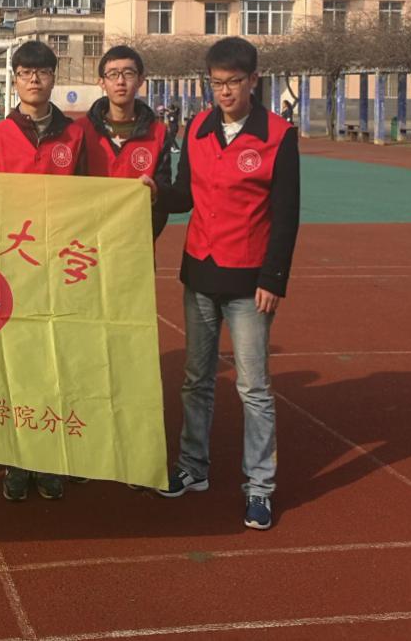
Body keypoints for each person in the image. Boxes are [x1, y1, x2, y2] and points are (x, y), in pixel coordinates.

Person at [157, 36, 300, 532]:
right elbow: (184, 195)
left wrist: (273, 278)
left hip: (249, 282)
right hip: (200, 272)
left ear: (253, 80)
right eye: (216, 83)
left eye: (234, 82)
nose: (225, 92)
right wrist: (154, 192)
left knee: (253, 388)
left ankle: (259, 486)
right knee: (196, 379)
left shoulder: (278, 135)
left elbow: (286, 214)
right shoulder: (198, 127)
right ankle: (192, 467)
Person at [0, 40, 85, 502]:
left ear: (53, 77)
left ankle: (49, 457)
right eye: (25, 73)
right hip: (12, 268)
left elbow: (88, 201)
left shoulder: (76, 136)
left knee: (54, 365)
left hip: (58, 268)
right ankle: (16, 459)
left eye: (42, 72)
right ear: (16, 79)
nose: (34, 80)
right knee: (16, 366)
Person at [76, 45, 169, 239]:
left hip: (134, 244)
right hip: (87, 244)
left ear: (140, 80)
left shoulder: (158, 133)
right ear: (101, 82)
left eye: (128, 73)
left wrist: (142, 238)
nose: (120, 81)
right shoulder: (80, 131)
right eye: (112, 74)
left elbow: (161, 197)